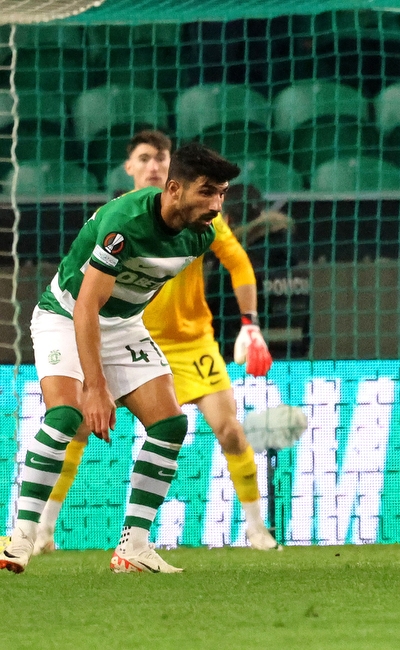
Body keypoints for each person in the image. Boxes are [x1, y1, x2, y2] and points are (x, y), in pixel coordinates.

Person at [29, 131, 278, 559]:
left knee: (226, 428)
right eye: (143, 158)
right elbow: (88, 300)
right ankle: (40, 530)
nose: (152, 165)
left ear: (170, 172)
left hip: (190, 339)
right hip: (121, 333)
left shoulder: (201, 222)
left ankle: (256, 529)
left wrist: (249, 324)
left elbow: (238, 261)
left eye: (159, 157)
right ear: (130, 169)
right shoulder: (119, 219)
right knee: (77, 423)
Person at [209, 183, 311, 360]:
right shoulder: (298, 259)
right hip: (294, 369)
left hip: (240, 369)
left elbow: (214, 325)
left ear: (227, 220)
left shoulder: (233, 264)